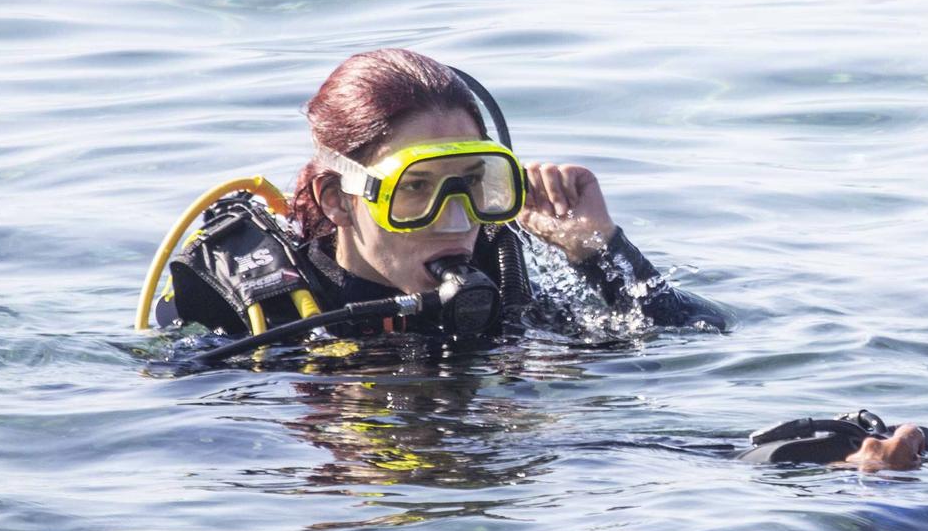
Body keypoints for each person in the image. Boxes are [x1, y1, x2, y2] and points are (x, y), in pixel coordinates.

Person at [148, 48, 725, 360]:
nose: (455, 219)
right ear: (339, 200)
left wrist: (597, 251)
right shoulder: (250, 314)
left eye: (473, 184)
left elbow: (696, 343)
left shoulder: (503, 277)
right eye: (416, 189)